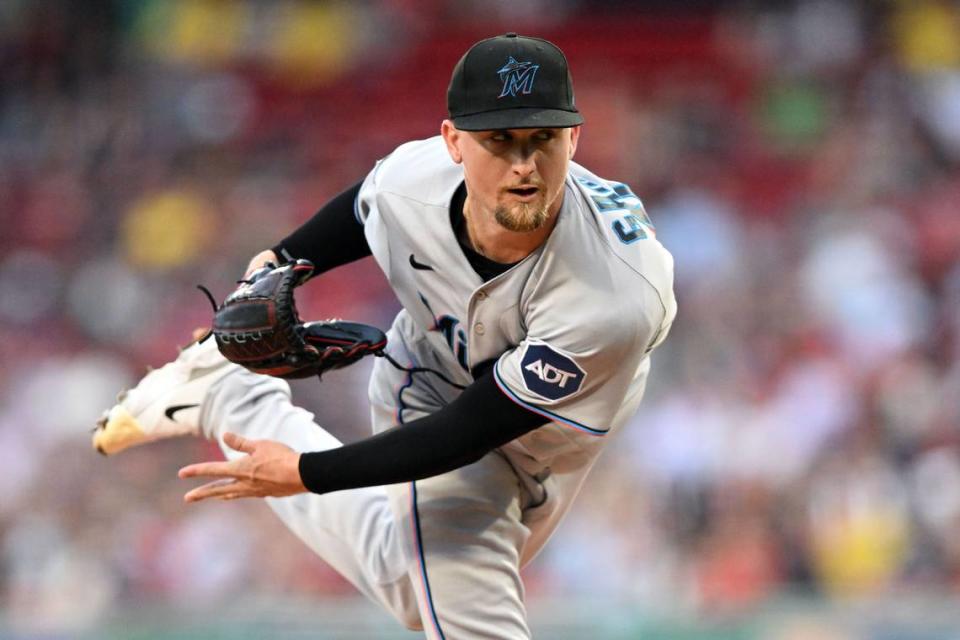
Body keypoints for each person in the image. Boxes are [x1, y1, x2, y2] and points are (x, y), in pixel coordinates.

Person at [94, 33, 676, 639]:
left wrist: (308, 471)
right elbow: (361, 211)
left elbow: (472, 431)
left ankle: (229, 399)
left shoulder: (616, 295)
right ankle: (225, 391)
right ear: (453, 141)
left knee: (413, 585)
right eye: (498, 139)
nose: (523, 164)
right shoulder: (412, 177)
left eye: (542, 139)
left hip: (553, 429)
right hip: (430, 384)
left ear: (573, 139)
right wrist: (270, 267)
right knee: (472, 611)